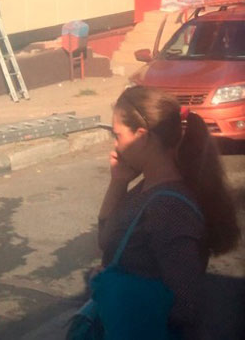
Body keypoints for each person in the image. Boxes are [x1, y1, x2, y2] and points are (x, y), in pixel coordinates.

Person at [97, 85, 241, 339]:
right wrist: (118, 181)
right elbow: (107, 239)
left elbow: (185, 303)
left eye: (117, 135)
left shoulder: (169, 208)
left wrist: (129, 297)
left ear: (142, 136)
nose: (115, 146)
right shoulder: (147, 186)